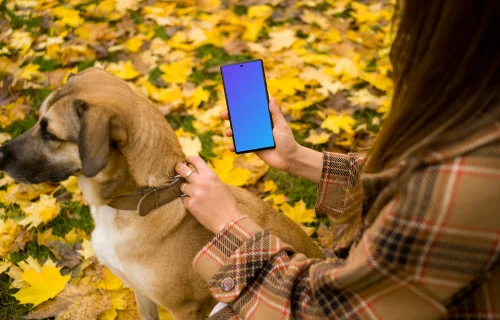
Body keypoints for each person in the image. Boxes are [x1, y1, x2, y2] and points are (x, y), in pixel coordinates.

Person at [175, 1, 500, 318]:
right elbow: (405, 180)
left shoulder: (461, 182)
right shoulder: (479, 123)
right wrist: (299, 158)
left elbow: (324, 311)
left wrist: (228, 222)